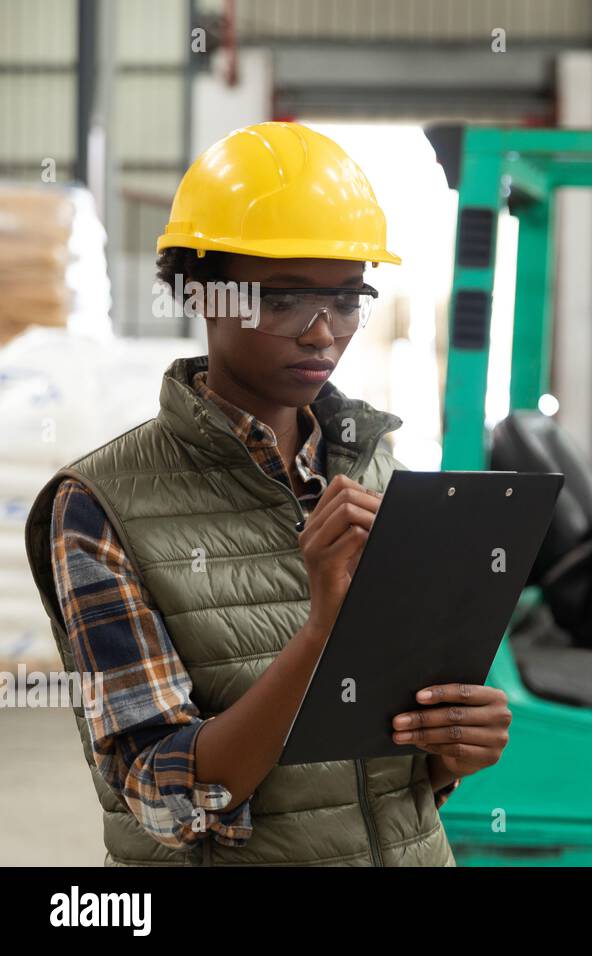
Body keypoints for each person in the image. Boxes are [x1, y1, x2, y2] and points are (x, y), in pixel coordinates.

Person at [23, 122, 510, 866]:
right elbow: (160, 799)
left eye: (348, 300)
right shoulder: (99, 509)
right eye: (283, 301)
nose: (322, 333)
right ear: (199, 292)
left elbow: (394, 769)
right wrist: (320, 636)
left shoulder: (379, 469)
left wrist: (450, 750)